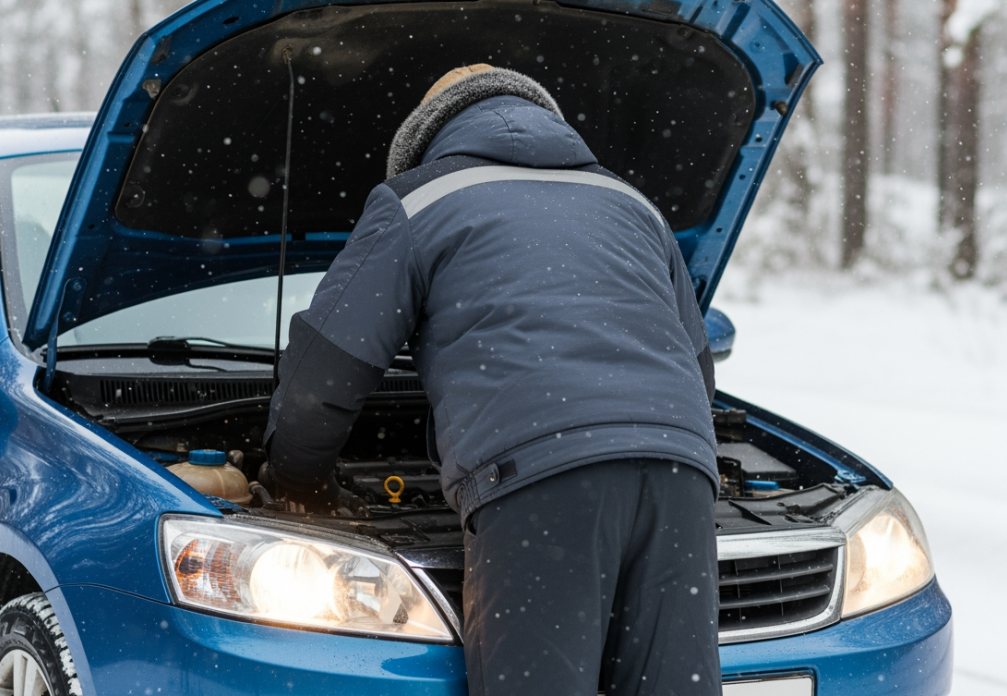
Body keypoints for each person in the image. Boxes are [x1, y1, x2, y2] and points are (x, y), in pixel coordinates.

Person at [264, 65, 722, 696]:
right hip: (681, 476)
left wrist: (297, 479)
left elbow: (325, 369)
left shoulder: (418, 197)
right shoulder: (630, 201)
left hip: (541, 477)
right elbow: (699, 369)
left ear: (423, 143)